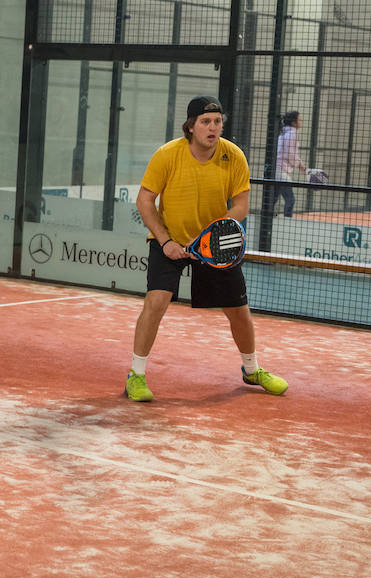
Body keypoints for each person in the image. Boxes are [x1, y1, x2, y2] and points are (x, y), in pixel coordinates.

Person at [125, 95, 288, 402]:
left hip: (215, 244)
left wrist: (214, 235)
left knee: (238, 311)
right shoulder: (167, 155)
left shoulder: (233, 155)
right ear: (191, 127)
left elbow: (241, 204)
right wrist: (166, 241)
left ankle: (252, 369)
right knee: (156, 302)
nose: (213, 128)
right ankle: (136, 374)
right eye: (205, 122)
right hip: (169, 239)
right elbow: (144, 200)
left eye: (217, 122)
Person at [274, 110, 306, 217]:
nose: (301, 121)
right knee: (290, 200)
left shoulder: (283, 132)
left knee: (272, 200)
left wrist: (299, 163)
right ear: (293, 122)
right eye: (299, 120)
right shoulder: (292, 133)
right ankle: (288, 221)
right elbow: (290, 153)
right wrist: (300, 164)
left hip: (276, 170)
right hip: (282, 172)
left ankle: (266, 219)